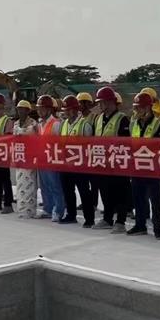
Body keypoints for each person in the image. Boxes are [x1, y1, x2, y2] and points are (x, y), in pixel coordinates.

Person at [127, 93, 160, 239]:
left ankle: (157, 227)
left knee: (155, 198)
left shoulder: (159, 123)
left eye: (140, 107)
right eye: (136, 107)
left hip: (152, 166)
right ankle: (140, 225)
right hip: (137, 165)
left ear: (148, 107)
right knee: (138, 196)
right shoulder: (134, 123)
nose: (137, 110)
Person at [92, 87, 131, 232]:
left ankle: (120, 222)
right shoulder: (99, 118)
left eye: (101, 102)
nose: (99, 105)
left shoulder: (122, 119)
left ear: (109, 102)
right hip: (102, 161)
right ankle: (107, 219)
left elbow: (125, 142)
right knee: (105, 191)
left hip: (118, 162)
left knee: (120, 191)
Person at [59, 95, 95, 226]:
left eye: (69, 110)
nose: (67, 112)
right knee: (68, 191)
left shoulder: (84, 124)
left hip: (80, 164)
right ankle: (71, 215)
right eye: (65, 110)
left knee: (84, 192)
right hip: (66, 163)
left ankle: (89, 218)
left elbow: (90, 145)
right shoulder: (63, 125)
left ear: (75, 109)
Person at [36, 95, 65, 221]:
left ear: (49, 109)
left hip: (53, 159)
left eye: (42, 108)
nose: (40, 111)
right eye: (39, 108)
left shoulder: (56, 124)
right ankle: (48, 208)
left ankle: (58, 211)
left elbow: (61, 143)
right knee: (45, 186)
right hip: (42, 159)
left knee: (55, 186)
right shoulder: (40, 124)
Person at [12, 100, 38, 218]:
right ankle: (21, 209)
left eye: (23, 109)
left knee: (30, 184)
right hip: (19, 156)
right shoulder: (16, 124)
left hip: (30, 157)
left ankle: (30, 210)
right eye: (19, 109)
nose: (20, 111)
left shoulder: (33, 124)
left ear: (28, 110)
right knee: (20, 184)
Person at [77, 91, 100, 213]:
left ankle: (94, 203)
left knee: (94, 181)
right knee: (84, 181)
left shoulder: (94, 117)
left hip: (92, 153)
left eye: (80, 103)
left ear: (86, 104)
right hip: (82, 154)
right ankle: (86, 201)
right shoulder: (79, 118)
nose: (78, 106)